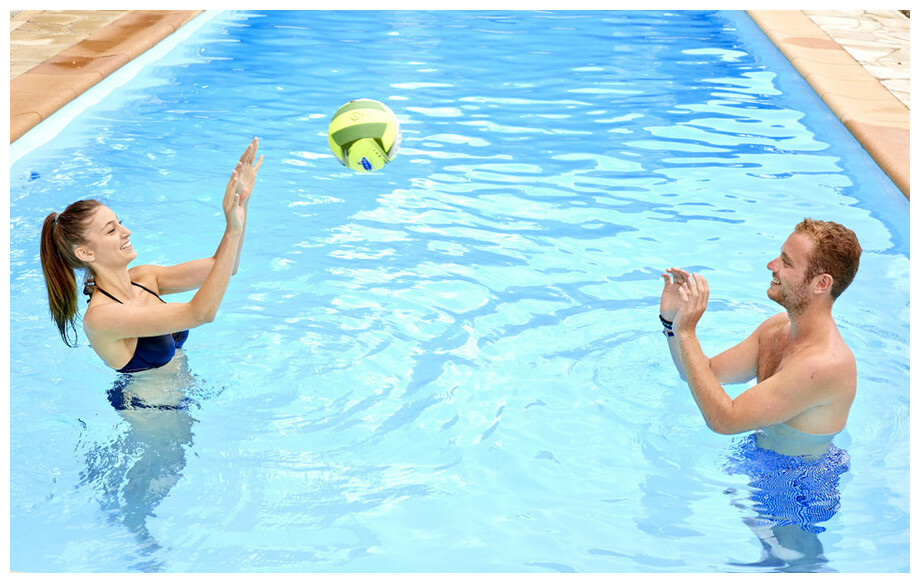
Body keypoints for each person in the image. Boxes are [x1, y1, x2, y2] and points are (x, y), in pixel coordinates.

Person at [40, 138, 263, 375]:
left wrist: (241, 203)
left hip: (187, 391)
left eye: (120, 222)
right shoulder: (100, 317)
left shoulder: (145, 277)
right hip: (144, 400)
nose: (126, 232)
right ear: (85, 253)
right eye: (111, 230)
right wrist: (231, 230)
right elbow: (201, 313)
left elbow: (227, 266)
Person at [659, 218, 861, 458]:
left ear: (821, 283)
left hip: (802, 477)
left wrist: (686, 332)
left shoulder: (825, 365)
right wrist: (672, 322)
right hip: (760, 455)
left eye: (786, 262)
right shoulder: (776, 328)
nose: (771, 265)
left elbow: (724, 421)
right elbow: (703, 373)